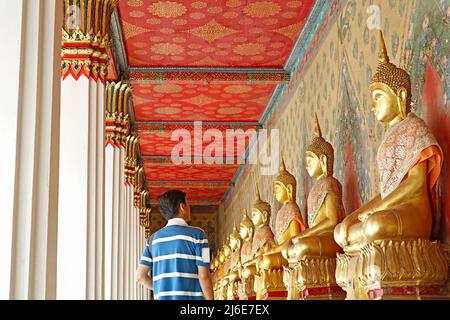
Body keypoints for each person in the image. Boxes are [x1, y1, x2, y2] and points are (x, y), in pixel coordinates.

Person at [136, 190, 214, 300]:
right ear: (182, 207)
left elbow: (140, 277)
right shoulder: (199, 236)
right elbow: (204, 276)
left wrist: (163, 290)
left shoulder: (152, 240)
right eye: (188, 203)